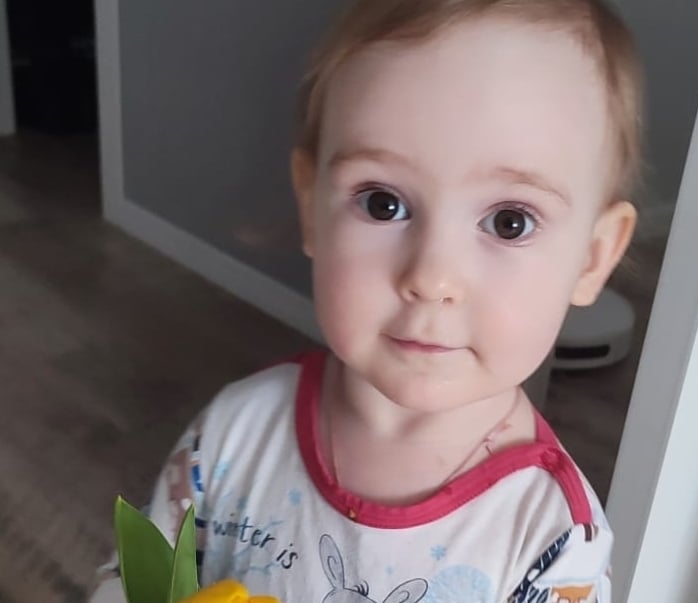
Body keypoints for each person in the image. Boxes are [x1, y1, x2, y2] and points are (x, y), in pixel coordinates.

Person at [92, 1, 641, 601]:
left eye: (510, 221)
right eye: (383, 203)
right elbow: (137, 579)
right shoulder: (232, 432)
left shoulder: (553, 542)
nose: (431, 277)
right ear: (312, 208)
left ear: (592, 258)